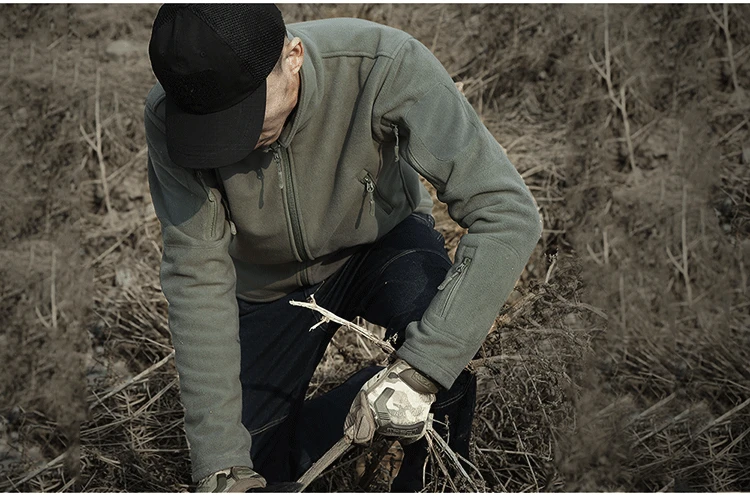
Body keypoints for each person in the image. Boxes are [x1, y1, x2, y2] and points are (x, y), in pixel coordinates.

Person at [145, 4, 541, 492]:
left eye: (244, 116)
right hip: (269, 286)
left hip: (380, 244)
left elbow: (507, 211)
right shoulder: (172, 121)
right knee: (254, 465)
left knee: (446, 369)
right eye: (212, 131)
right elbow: (195, 274)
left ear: (293, 56)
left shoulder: (382, 63)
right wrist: (219, 460)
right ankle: (352, 400)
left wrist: (422, 371)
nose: (231, 144)